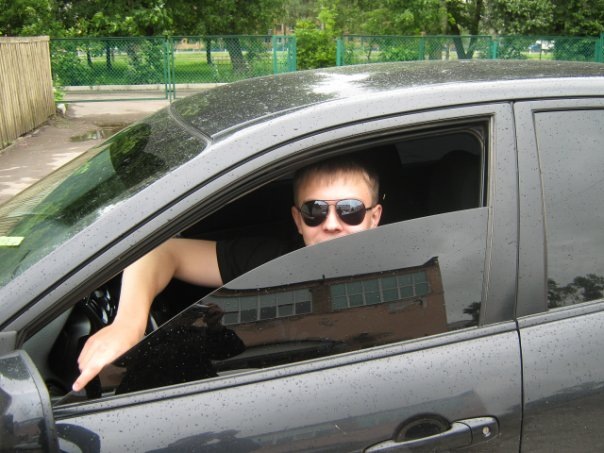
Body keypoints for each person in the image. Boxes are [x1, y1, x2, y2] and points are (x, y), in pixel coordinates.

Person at [73, 157, 383, 392]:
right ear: (298, 220)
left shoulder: (399, 262)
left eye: (350, 210)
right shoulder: (270, 259)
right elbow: (163, 252)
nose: (331, 224)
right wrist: (128, 325)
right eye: (315, 211)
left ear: (374, 217)